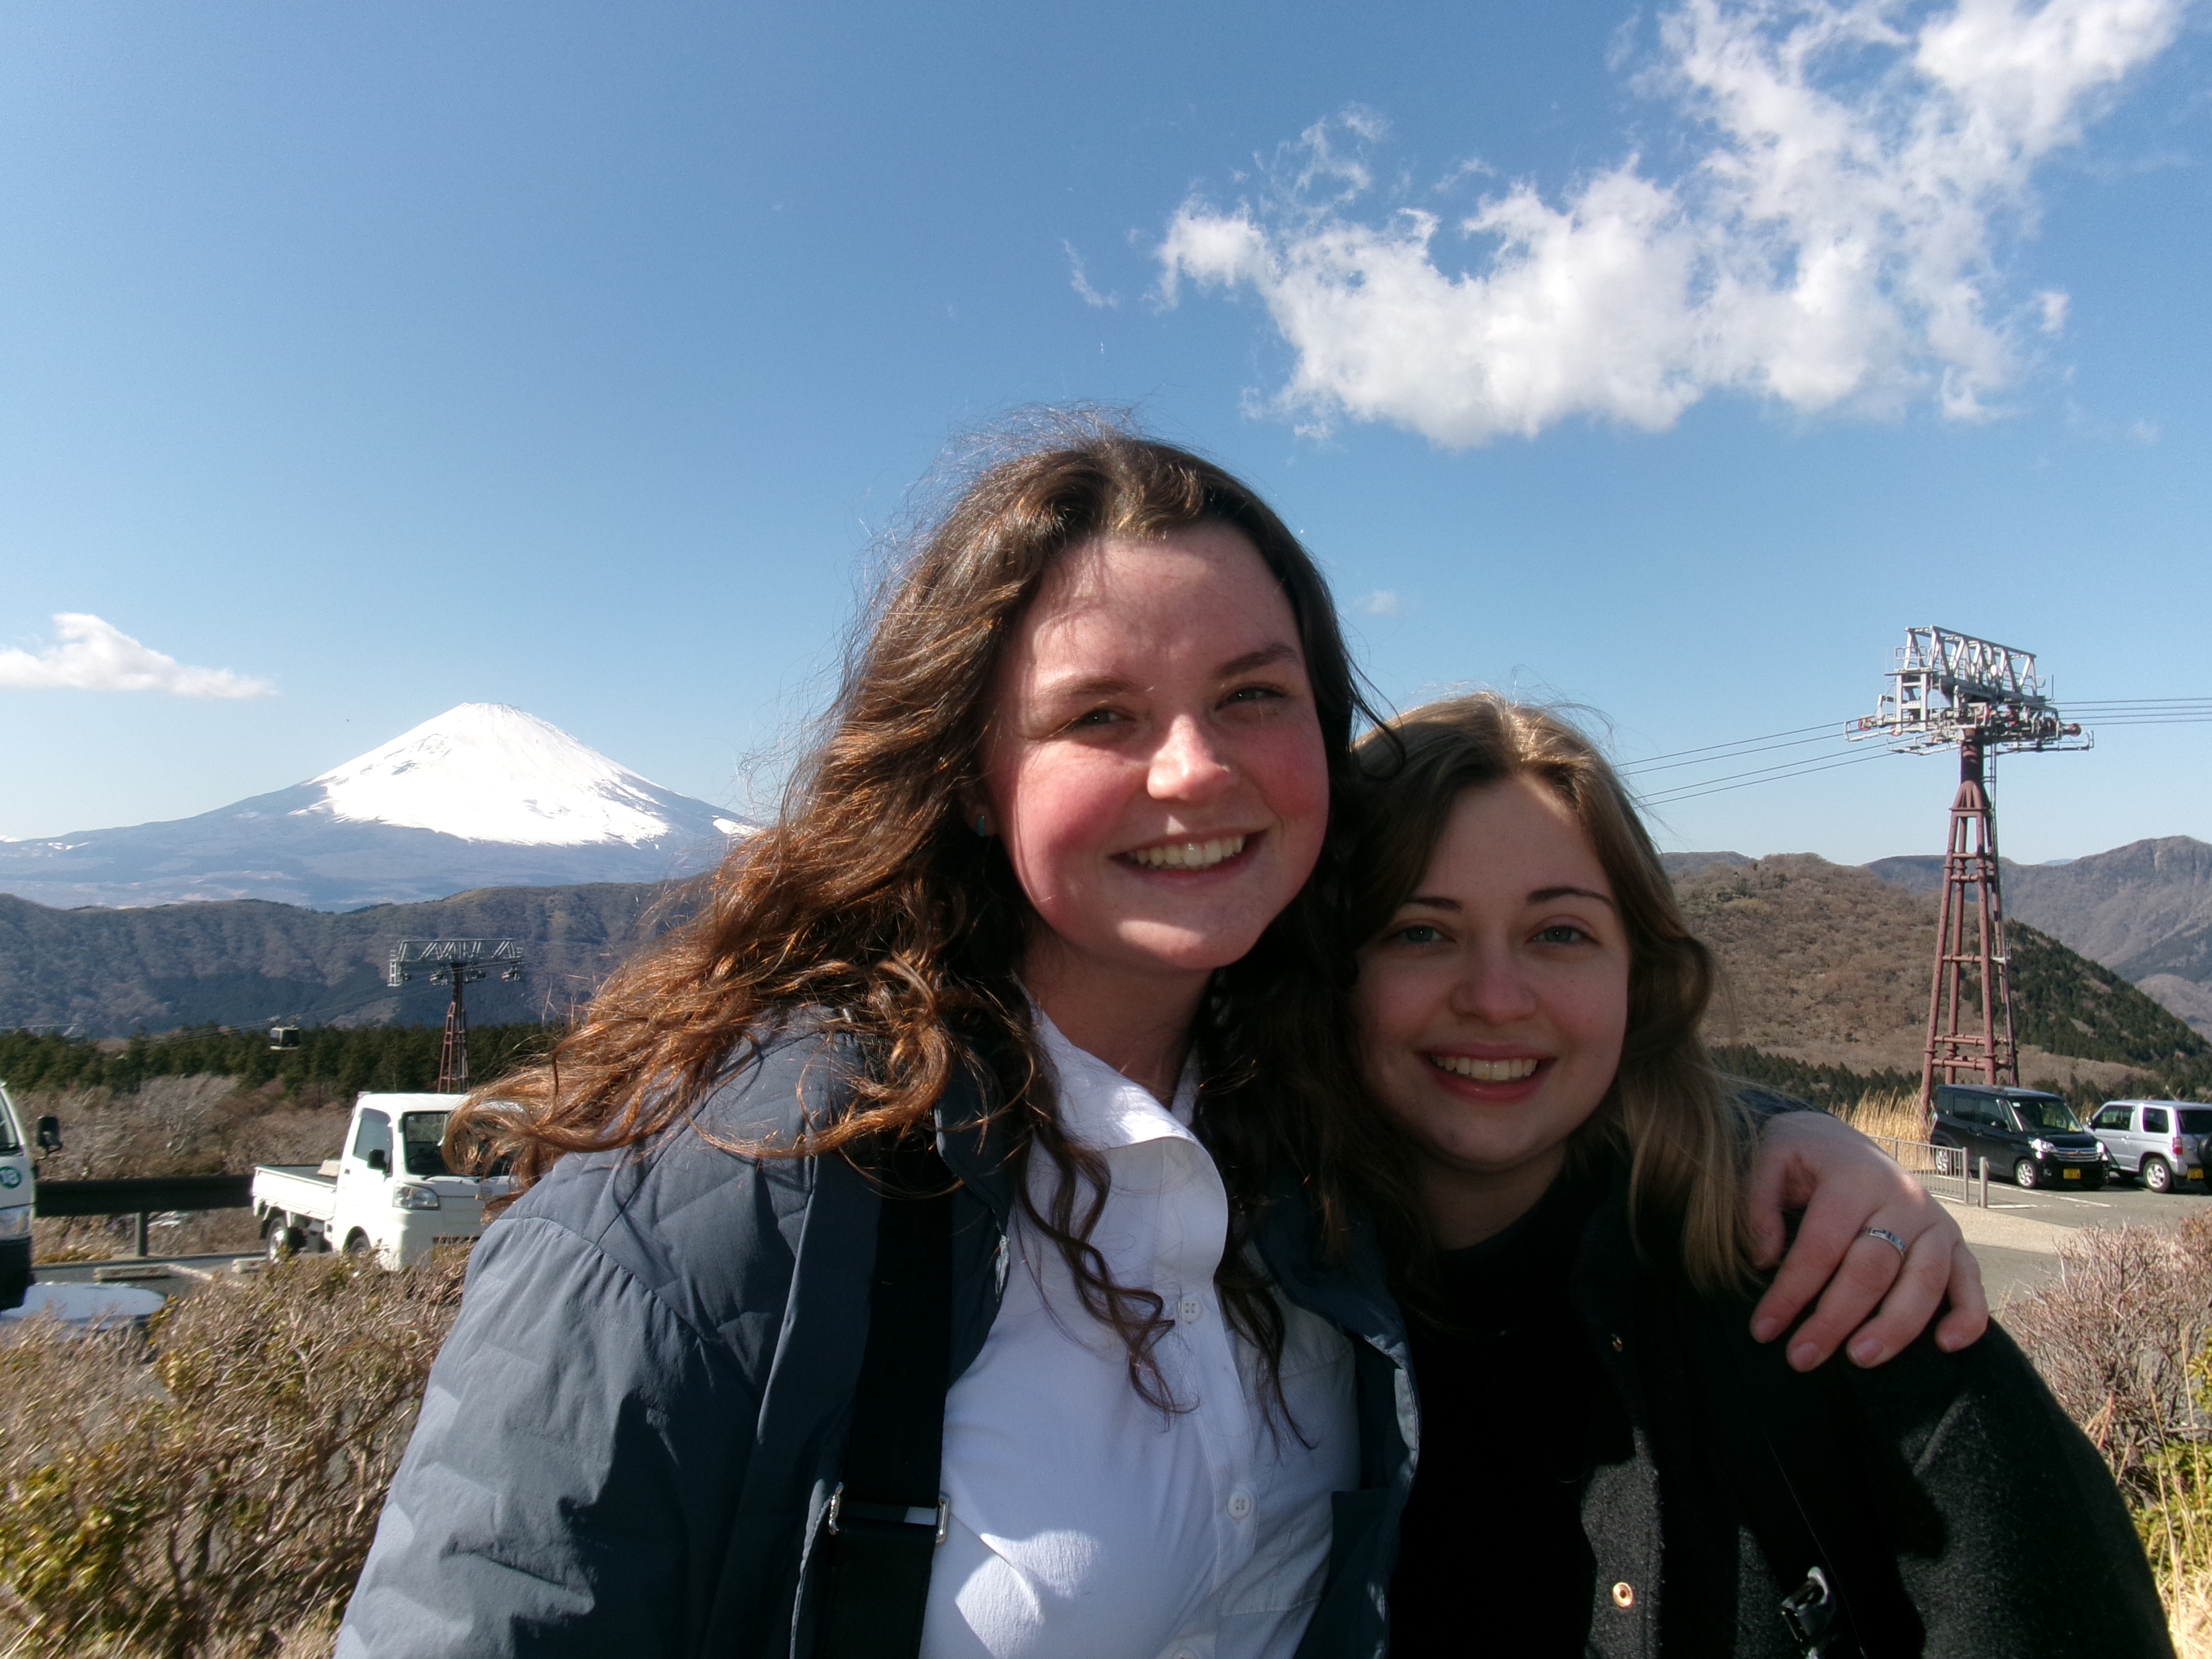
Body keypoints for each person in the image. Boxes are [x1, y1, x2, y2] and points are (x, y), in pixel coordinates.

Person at [337, 425, 1985, 1659]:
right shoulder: (731, 1191)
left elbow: (1511, 1059)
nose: (1193, 770)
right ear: (973, 769)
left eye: (1254, 695)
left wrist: (1775, 1132)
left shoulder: (1293, 1131)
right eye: (1100, 715)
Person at [1345, 693, 2167, 1659]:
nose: (1493, 998)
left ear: (1639, 981)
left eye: (1560, 933)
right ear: (1325, 970)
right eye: (1420, 932)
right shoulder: (1247, 1305)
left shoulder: (1853, 1312)